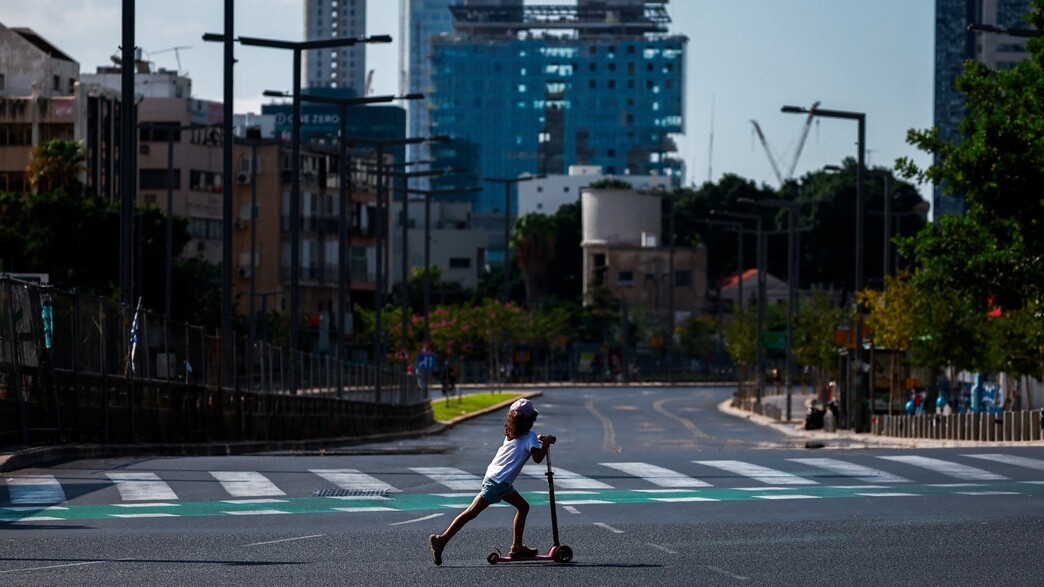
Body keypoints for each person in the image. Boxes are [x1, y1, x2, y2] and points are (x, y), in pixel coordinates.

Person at [428, 398, 556, 566]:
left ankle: (517, 547)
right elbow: (538, 458)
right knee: (471, 513)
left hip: (497, 479)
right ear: (529, 421)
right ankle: (442, 540)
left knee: (523, 507)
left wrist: (538, 439)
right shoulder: (530, 437)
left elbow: (524, 444)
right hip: (499, 483)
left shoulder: (512, 435)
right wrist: (545, 443)